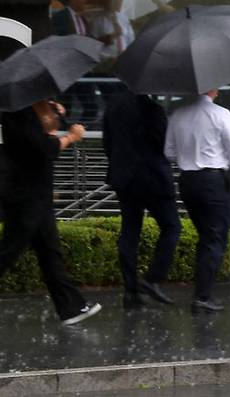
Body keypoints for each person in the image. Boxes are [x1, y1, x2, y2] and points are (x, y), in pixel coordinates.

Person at [0, 100, 101, 325]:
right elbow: (44, 149)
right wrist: (71, 136)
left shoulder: (27, 112)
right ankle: (71, 307)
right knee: (9, 250)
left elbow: (43, 139)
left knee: (49, 252)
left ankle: (71, 308)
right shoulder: (18, 113)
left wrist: (52, 118)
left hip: (37, 195)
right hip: (25, 196)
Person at [165, 90, 230, 313]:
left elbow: (168, 151)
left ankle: (202, 294)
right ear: (212, 89)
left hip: (188, 180)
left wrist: (188, 157)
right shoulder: (221, 114)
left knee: (206, 236)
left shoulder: (178, 114)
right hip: (212, 180)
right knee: (214, 237)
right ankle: (202, 297)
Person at [102, 88, 181, 309]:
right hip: (153, 178)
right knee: (171, 227)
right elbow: (163, 145)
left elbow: (108, 142)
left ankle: (130, 291)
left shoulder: (113, 105)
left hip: (124, 178)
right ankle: (153, 278)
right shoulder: (153, 109)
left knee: (129, 232)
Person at [50, 0, 99, 125]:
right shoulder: (59, 18)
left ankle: (78, 134)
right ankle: (65, 137)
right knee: (65, 108)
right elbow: (55, 43)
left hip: (85, 70)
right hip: (66, 71)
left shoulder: (87, 18)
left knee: (91, 108)